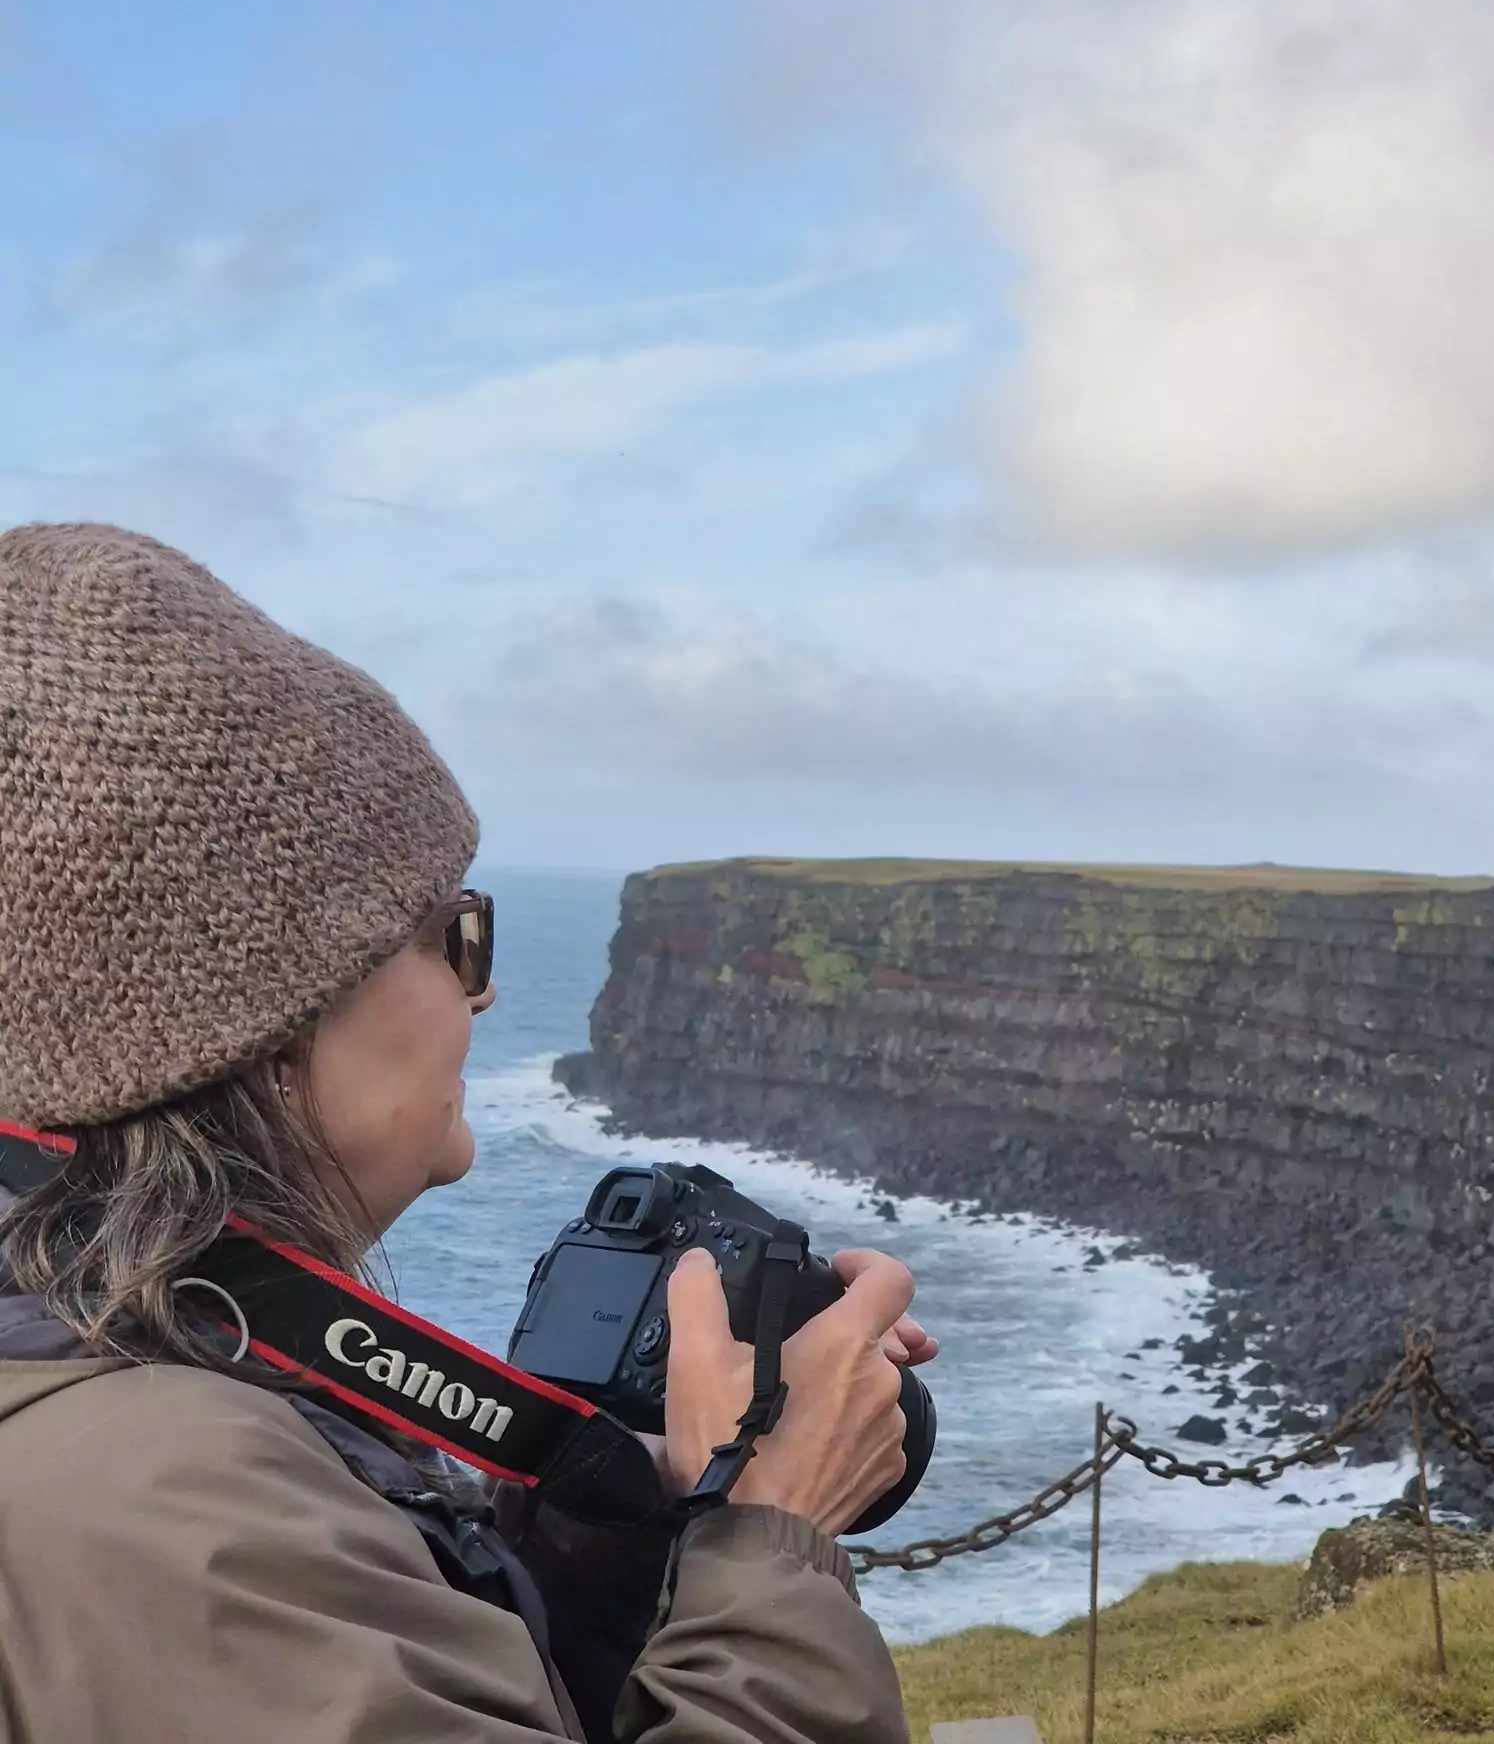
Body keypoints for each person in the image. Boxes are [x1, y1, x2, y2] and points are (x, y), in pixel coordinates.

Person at [0, 522, 936, 1744]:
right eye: (453, 932)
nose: (480, 993)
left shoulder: (124, 1366)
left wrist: (613, 1511)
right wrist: (776, 1528)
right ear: (269, 1023)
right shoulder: (175, 1500)